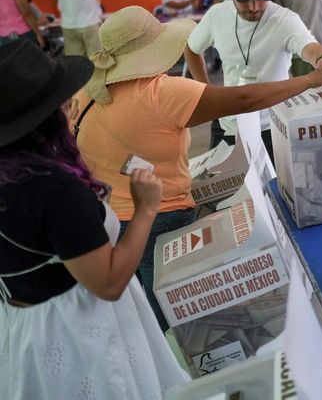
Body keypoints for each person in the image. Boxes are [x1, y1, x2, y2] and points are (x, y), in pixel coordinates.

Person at [73, 5, 322, 330]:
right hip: (161, 219)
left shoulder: (86, 91)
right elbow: (245, 100)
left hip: (108, 219)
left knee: (140, 311)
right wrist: (311, 79)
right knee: (175, 322)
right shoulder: (161, 93)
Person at [0, 39, 187, 398]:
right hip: (80, 335)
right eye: (63, 102)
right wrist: (146, 208)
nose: (71, 105)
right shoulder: (54, 190)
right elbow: (109, 281)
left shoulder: (14, 178)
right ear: (45, 120)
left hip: (28, 329)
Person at [184, 0, 322, 156]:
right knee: (224, 184)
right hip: (228, 124)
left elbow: (310, 47)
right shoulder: (216, 16)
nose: (254, 7)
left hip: (273, 127)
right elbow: (191, 48)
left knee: (275, 186)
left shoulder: (284, 20)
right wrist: (205, 91)